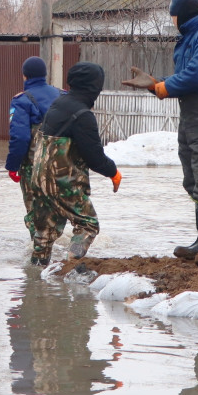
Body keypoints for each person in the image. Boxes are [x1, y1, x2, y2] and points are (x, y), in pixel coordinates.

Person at [122, 0, 198, 267]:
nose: (172, 21)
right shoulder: (193, 36)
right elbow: (187, 77)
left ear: (182, 14)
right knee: (195, 181)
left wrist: (160, 86)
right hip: (193, 114)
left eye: (172, 16)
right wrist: (155, 84)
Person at [26, 62, 122, 264]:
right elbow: (94, 157)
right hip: (62, 180)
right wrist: (113, 172)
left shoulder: (58, 104)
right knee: (87, 225)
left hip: (37, 178)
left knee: (44, 233)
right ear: (94, 87)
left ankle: (35, 283)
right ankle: (71, 262)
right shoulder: (82, 115)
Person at [4, 57, 63, 265]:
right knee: (59, 207)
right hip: (62, 166)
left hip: (34, 167)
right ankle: (61, 253)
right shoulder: (62, 96)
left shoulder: (22, 100)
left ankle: (40, 257)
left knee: (36, 210)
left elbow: (20, 137)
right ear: (45, 74)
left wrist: (12, 166)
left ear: (24, 76)